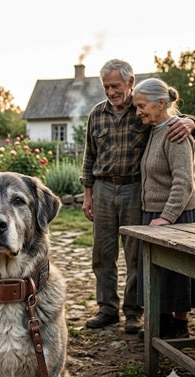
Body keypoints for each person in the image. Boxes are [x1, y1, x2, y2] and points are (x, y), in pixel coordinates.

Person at [81, 59, 195, 334]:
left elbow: (172, 119)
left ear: (130, 83)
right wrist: (88, 194)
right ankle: (106, 309)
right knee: (102, 254)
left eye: (116, 86)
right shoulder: (97, 114)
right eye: (106, 87)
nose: (110, 92)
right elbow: (89, 156)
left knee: (136, 254)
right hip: (103, 187)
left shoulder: (142, 109)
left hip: (135, 189)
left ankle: (133, 312)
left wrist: (191, 122)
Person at [133, 77, 195, 339]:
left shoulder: (175, 134)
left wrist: (167, 217)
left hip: (175, 215)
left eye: (141, 106)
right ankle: (163, 325)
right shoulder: (156, 130)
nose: (138, 112)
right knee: (160, 275)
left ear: (160, 104)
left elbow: (184, 182)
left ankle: (179, 327)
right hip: (156, 214)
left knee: (177, 278)